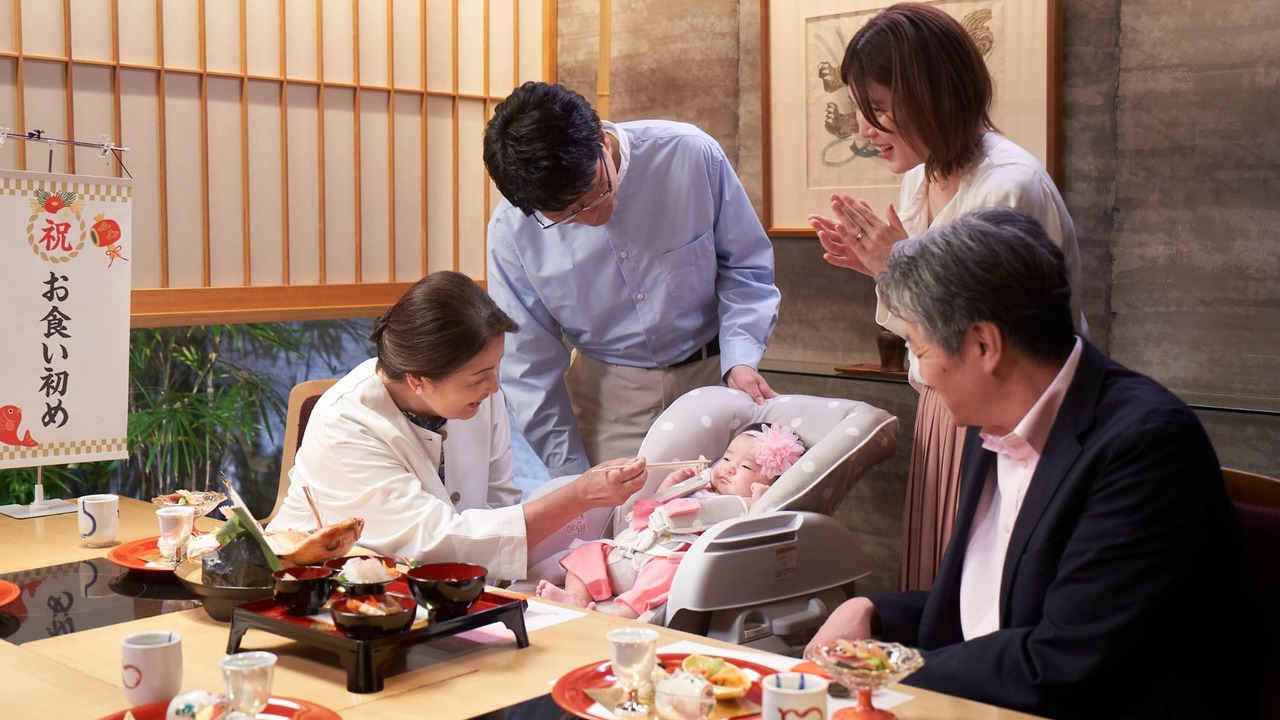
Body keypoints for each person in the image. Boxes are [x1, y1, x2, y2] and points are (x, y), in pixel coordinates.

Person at [805, 208, 1257, 720]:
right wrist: (876, 611)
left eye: (918, 348)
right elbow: (995, 607)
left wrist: (883, 668)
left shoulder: (1145, 447)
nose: (922, 376)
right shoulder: (993, 414)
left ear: (984, 345)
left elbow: (1066, 663)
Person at [807, 3, 1088, 591]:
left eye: (878, 110)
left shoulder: (1007, 185)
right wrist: (884, 270)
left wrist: (898, 265)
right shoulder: (924, 173)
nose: (863, 130)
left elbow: (990, 339)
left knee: (991, 588)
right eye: (862, 111)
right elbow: (929, 326)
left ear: (933, 96)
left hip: (1010, 415)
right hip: (946, 404)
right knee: (940, 584)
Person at [483, 81, 782, 480]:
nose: (589, 215)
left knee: (729, 516)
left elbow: (745, 267)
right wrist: (573, 475)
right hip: (608, 396)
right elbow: (528, 367)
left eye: (593, 192)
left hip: (715, 375)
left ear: (602, 142)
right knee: (623, 530)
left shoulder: (690, 155)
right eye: (566, 215)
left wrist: (741, 358)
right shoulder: (510, 232)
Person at [265, 271, 650, 581]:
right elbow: (437, 542)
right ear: (419, 379)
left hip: (444, 584)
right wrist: (581, 493)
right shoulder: (346, 426)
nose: (494, 387)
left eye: (496, 369)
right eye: (480, 377)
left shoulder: (477, 395)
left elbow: (498, 500)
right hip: (323, 585)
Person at [535, 423, 804, 619]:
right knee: (587, 551)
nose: (729, 468)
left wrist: (762, 500)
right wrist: (673, 484)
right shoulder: (696, 488)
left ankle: (620, 615)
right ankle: (576, 599)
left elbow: (755, 532)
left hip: (666, 558)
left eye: (746, 467)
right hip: (629, 552)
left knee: (667, 573)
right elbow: (649, 510)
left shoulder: (744, 506)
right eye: (727, 458)